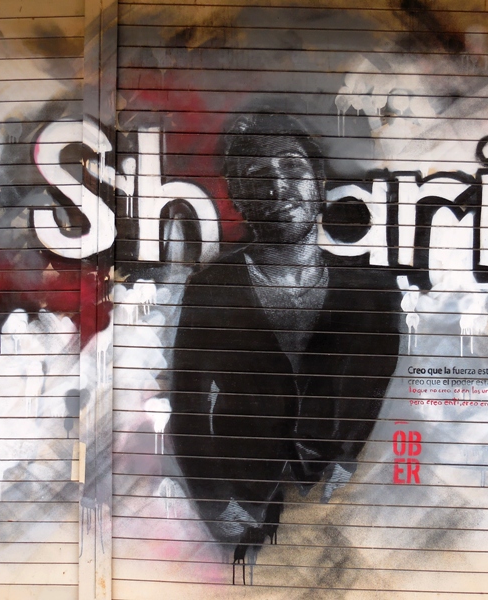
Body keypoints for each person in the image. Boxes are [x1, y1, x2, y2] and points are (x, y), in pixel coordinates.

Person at [169, 113, 401, 568]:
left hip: (332, 494)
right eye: (258, 177)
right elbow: (188, 405)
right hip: (245, 493)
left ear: (319, 181)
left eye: (292, 168)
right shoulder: (211, 288)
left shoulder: (372, 291)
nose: (278, 187)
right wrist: (216, 501)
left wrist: (347, 456)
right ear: (240, 198)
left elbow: (374, 381)